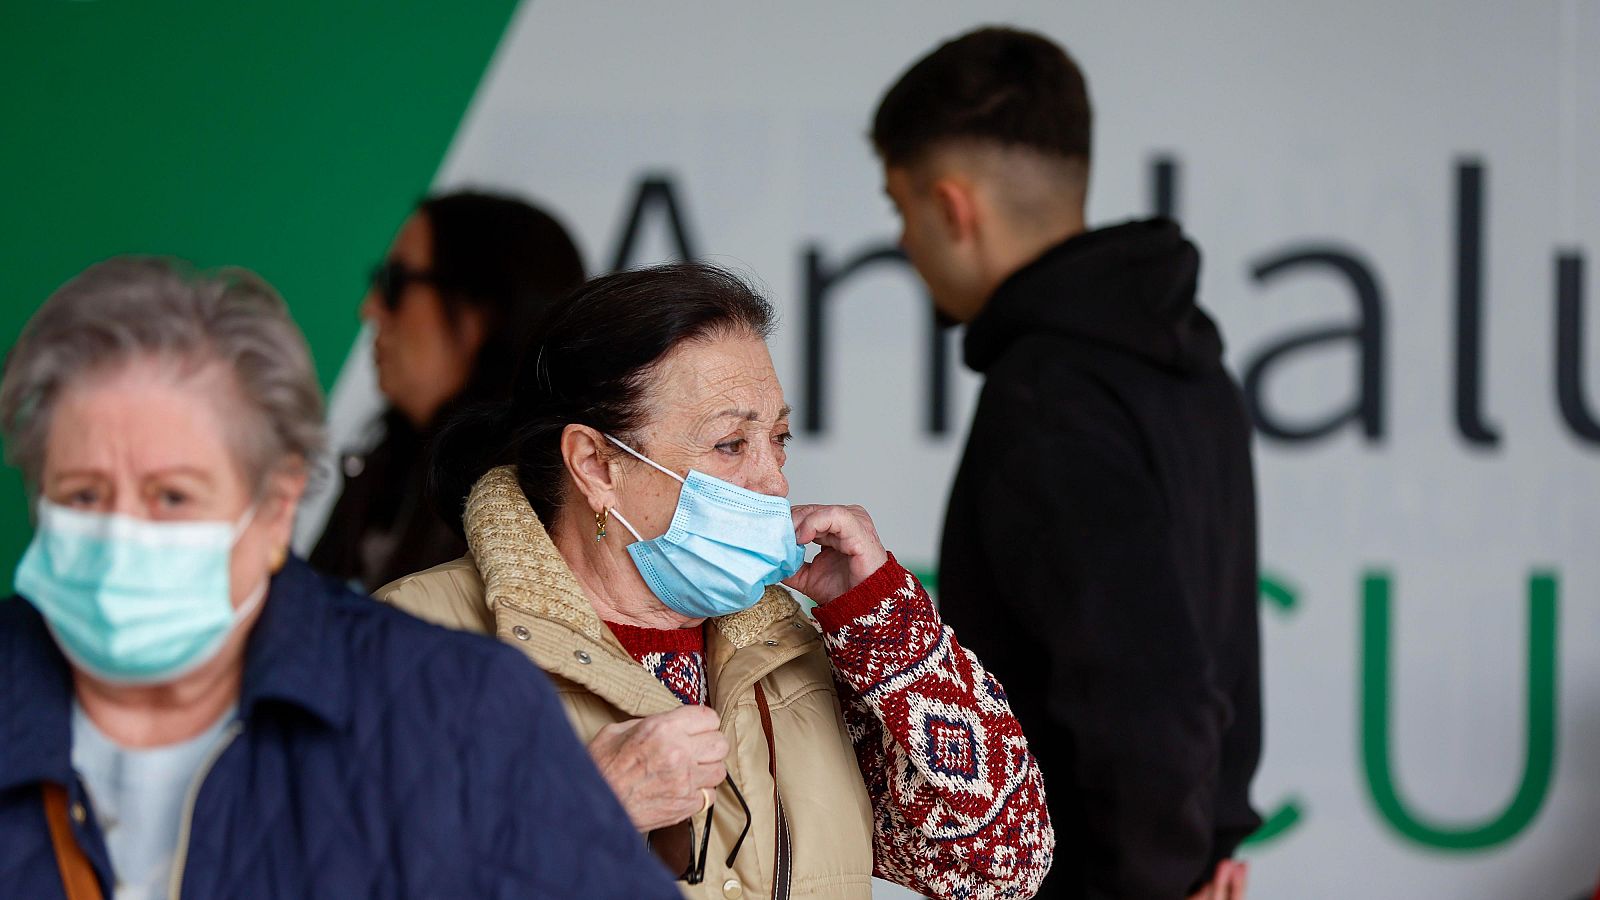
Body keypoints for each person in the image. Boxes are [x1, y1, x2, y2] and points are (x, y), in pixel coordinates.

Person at [0, 258, 679, 898]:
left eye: (172, 496)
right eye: (83, 495)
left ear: (277, 505)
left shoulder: (457, 709)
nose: (124, 536)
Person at [377, 263, 1055, 899]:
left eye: (779, 440)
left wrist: (885, 619)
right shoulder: (414, 642)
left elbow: (1001, 866)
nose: (773, 481)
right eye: (732, 445)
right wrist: (583, 806)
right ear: (594, 465)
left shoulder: (790, 647)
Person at [870, 27, 1262, 900]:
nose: (903, 242)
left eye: (900, 209)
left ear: (952, 207)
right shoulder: (1192, 366)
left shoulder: (1048, 399)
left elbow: (1149, 707)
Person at [310, 190, 585, 592]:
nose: (369, 309)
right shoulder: (386, 465)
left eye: (394, 283)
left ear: (480, 313)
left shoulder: (544, 503)